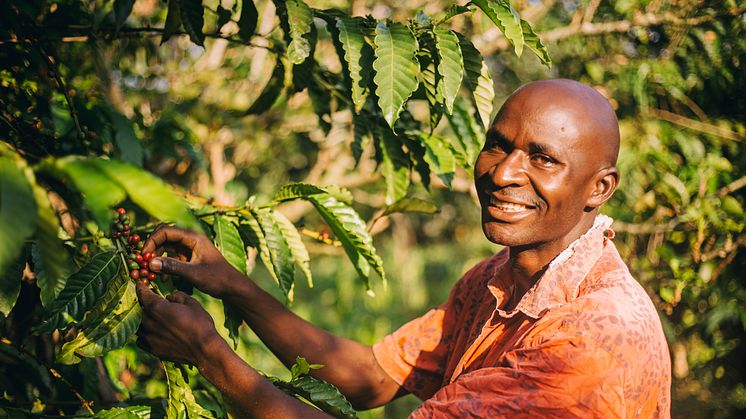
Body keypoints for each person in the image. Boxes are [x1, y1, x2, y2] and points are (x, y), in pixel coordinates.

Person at [135, 79, 672, 417]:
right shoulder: (497, 279)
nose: (504, 173)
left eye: (543, 159)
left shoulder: (591, 342)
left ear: (599, 188)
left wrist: (210, 355)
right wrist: (233, 283)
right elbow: (371, 377)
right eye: (498, 145)